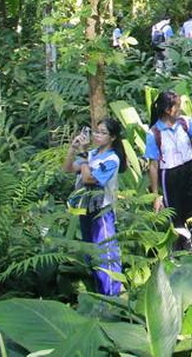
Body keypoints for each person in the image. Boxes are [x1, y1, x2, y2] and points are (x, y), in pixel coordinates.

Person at [63, 118, 127, 296]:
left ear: (113, 137)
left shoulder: (112, 158)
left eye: (103, 133)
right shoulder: (92, 154)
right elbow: (67, 168)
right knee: (91, 251)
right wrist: (73, 148)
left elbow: (89, 179)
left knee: (106, 252)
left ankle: (112, 294)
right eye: (96, 131)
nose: (97, 136)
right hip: (86, 209)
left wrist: (83, 157)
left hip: (102, 211)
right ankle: (99, 292)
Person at [145, 90, 192, 251]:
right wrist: (156, 194)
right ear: (167, 110)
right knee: (175, 215)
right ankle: (180, 252)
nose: (180, 109)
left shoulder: (185, 122)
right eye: (177, 106)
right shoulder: (154, 133)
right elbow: (153, 165)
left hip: (191, 169)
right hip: (170, 175)